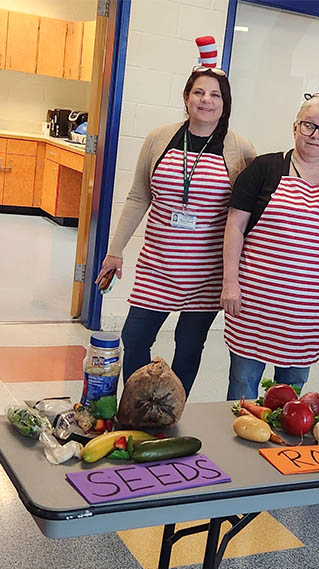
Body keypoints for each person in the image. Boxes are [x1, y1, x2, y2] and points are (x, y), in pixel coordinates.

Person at [95, 36, 256, 396]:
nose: (206, 100)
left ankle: (171, 408)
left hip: (207, 271)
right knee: (134, 337)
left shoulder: (240, 148)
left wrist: (239, 273)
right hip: (158, 265)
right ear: (186, 97)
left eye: (215, 95)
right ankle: (140, 405)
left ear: (225, 103)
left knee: (189, 345)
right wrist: (115, 250)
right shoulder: (159, 138)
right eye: (199, 92)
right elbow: (139, 196)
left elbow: (247, 215)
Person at [221, 73, 319, 398]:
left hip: (308, 312)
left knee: (290, 393)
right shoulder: (263, 169)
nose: (316, 136)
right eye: (309, 125)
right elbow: (235, 227)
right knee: (243, 386)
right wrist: (230, 283)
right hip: (255, 306)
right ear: (295, 126)